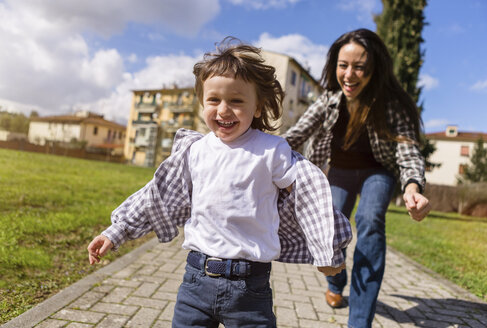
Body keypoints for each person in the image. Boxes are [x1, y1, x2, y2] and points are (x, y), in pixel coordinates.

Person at [87, 37, 352, 328]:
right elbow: (157, 195)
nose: (223, 110)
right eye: (214, 100)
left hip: (250, 289)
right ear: (202, 102)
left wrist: (328, 249)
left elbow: (309, 194)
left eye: (236, 101)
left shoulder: (271, 150)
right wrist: (117, 231)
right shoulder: (194, 150)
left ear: (258, 107)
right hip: (195, 283)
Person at [283, 28, 431, 328]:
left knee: (370, 219)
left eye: (359, 67)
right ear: (334, 66)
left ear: (374, 68)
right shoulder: (328, 101)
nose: (349, 75)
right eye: (343, 65)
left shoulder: (391, 105)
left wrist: (413, 187)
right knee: (329, 228)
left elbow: (407, 152)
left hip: (378, 173)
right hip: (338, 173)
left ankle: (359, 321)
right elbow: (295, 135)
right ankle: (336, 285)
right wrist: (252, 153)